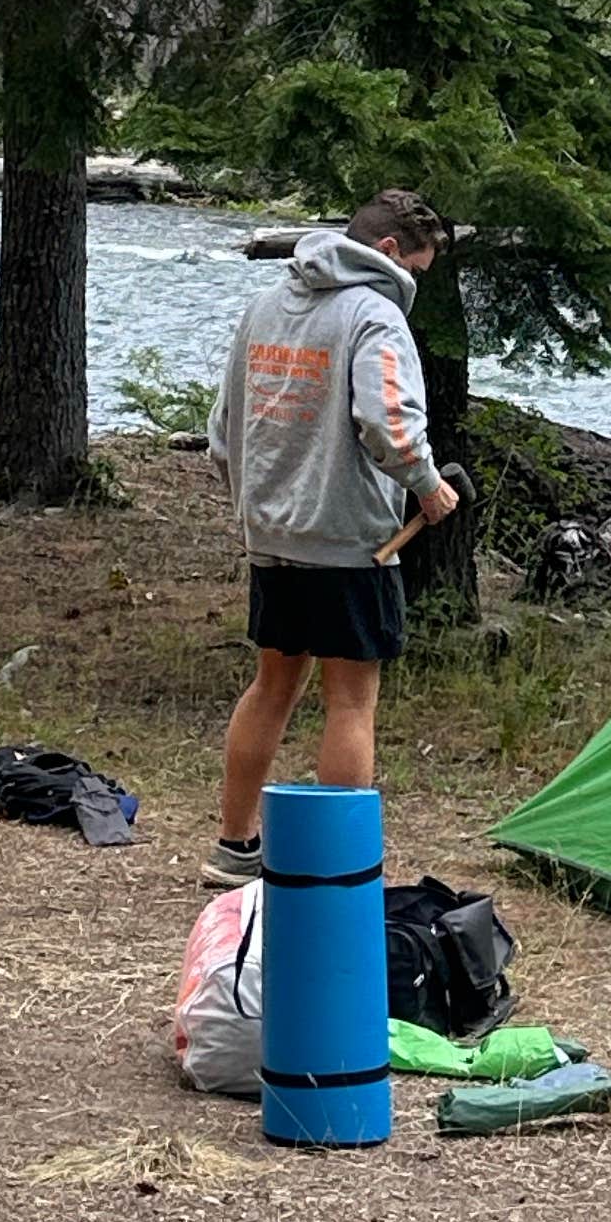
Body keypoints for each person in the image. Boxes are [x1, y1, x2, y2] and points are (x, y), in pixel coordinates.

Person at [201, 188, 459, 886]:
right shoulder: (373, 314)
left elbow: (222, 430)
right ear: (387, 253)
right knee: (351, 701)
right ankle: (332, 870)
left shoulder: (265, 305)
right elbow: (389, 423)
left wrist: (251, 512)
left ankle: (234, 847)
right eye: (418, 272)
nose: (415, 289)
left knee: (272, 686)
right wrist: (427, 484)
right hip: (350, 544)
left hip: (272, 538)